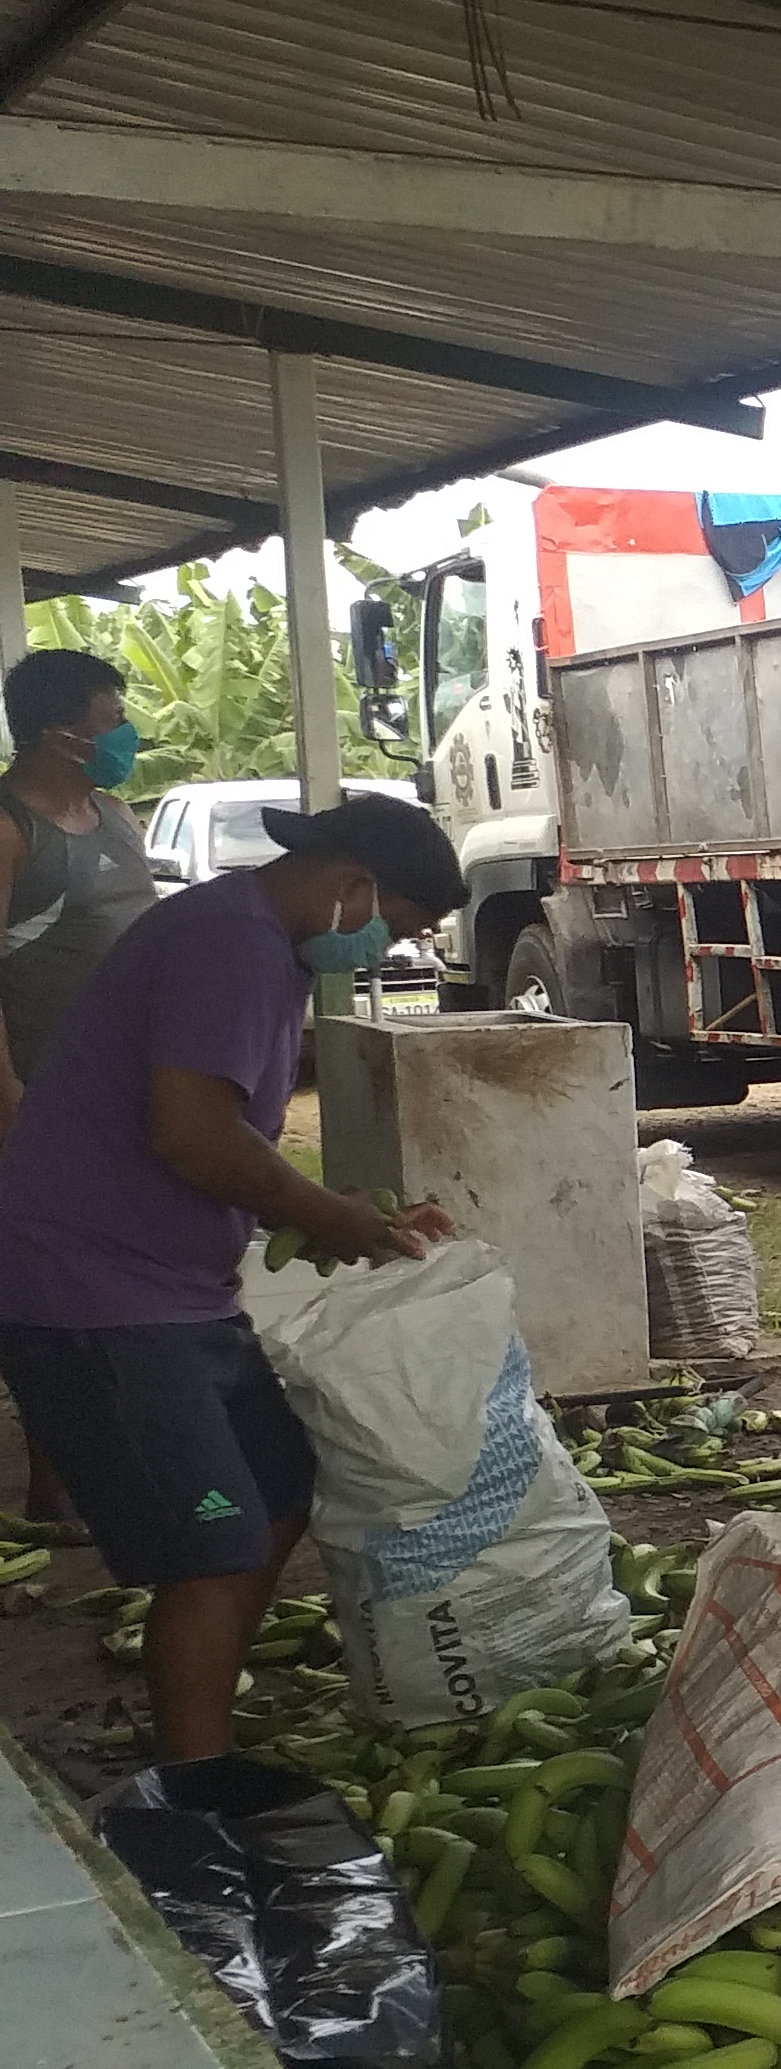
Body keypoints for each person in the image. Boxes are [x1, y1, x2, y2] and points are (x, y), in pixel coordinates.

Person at [0, 793, 463, 1766]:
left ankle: (203, 1727)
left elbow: (222, 1134)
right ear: (354, 886)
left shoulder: (258, 941)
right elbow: (193, 1132)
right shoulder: (231, 942)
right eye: (395, 928)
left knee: (278, 1484)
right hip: (100, 1291)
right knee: (213, 1545)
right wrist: (328, 1216)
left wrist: (340, 1211)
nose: (384, 949)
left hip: (170, 1286)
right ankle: (195, 1783)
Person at [0, 648, 157, 1132]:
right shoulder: (10, 830)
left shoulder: (118, 814)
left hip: (136, 1082)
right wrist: (8, 1098)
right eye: (114, 722)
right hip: (48, 1094)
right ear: (62, 738)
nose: (128, 735)